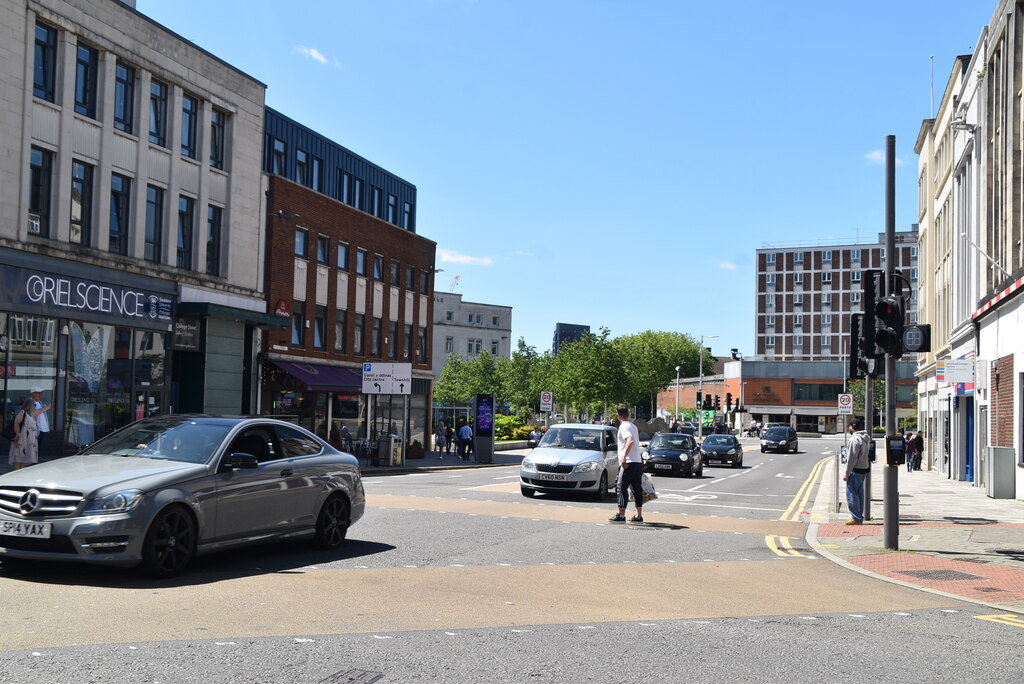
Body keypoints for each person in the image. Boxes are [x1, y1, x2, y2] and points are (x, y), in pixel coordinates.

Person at [609, 405, 644, 524]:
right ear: (627, 414)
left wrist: (623, 456)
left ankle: (621, 514)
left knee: (620, 487)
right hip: (637, 461)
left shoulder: (623, 426)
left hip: (628, 462)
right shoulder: (633, 426)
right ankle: (638, 515)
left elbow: (630, 440)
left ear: (618, 415)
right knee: (636, 488)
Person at [844, 419, 871, 525]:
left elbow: (852, 458)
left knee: (851, 493)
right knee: (859, 494)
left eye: (849, 427)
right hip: (863, 468)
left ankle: (856, 517)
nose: (849, 429)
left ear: (852, 427)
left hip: (855, 470)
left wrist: (846, 473)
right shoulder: (865, 438)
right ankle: (859, 516)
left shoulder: (854, 439)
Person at [8, 398, 39, 470]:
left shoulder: (31, 414)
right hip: (22, 438)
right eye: (34, 405)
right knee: (19, 457)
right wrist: (17, 434)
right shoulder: (22, 412)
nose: (35, 406)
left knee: (25, 459)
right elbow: (16, 423)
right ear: (30, 405)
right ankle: (16, 474)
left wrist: (47, 408)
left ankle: (21, 474)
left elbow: (39, 412)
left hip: (29, 439)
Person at [29, 386, 50, 457]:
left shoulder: (39, 402)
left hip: (42, 429)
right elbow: (34, 413)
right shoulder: (30, 402)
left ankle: (35, 460)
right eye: (39, 393)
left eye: (41, 393)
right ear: (33, 394)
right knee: (34, 448)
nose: (40, 395)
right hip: (35, 429)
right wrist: (46, 408)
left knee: (38, 448)